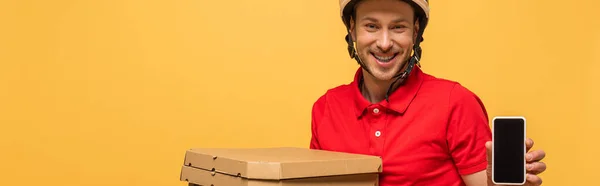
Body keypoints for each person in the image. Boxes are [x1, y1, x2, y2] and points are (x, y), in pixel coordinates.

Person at [309, 0, 547, 185]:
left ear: (415, 32)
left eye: (398, 27)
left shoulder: (456, 102)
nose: (384, 43)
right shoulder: (325, 107)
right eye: (371, 26)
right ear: (352, 30)